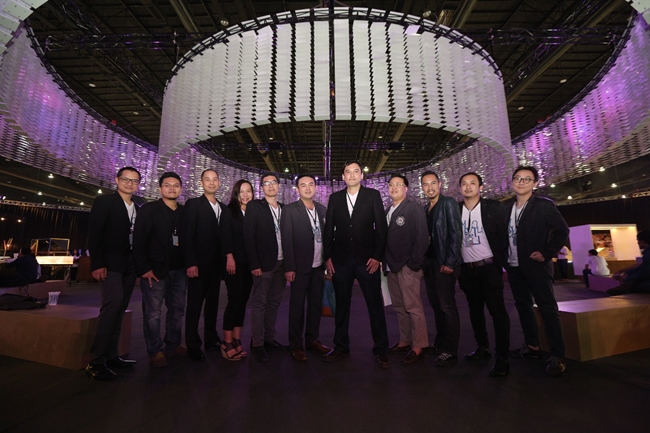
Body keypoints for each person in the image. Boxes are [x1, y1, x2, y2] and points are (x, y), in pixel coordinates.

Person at [501, 166, 569, 377]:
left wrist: (547, 253)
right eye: (517, 178)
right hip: (514, 266)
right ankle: (532, 346)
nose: (521, 182)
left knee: (548, 310)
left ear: (535, 183)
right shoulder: (507, 208)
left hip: (537, 266)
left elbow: (562, 230)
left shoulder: (543, 205)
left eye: (527, 179)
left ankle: (558, 355)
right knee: (523, 307)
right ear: (512, 182)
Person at [322, 160, 391, 369]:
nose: (351, 175)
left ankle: (381, 349)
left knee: (375, 305)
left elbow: (381, 228)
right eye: (347, 172)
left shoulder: (372, 196)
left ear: (362, 175)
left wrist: (377, 256)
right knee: (341, 305)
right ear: (343, 177)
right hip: (341, 260)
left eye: (355, 171)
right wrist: (327, 257)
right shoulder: (335, 198)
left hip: (367, 260)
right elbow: (328, 230)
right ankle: (341, 346)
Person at [85, 166, 141, 381]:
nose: (129, 183)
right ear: (117, 180)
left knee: (120, 309)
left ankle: (112, 355)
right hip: (110, 264)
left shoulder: (138, 207)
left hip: (130, 265)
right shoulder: (105, 201)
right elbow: (95, 234)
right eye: (126, 179)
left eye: (134, 181)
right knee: (111, 307)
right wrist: (97, 264)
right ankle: (96, 361)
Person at [456, 172, 510, 377]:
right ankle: (482, 347)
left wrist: (505, 262)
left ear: (481, 187)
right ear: (459, 188)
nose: (468, 186)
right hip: (467, 270)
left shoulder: (493, 207)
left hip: (489, 268)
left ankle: (502, 357)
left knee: (497, 312)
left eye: (473, 183)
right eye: (464, 183)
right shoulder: (456, 209)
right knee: (475, 311)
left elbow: (504, 236)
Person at [133, 172, 187, 368]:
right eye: (167, 185)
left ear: (181, 189)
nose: (172, 188)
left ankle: (173, 345)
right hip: (154, 271)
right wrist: (144, 269)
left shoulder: (185, 212)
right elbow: (138, 241)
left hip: (179, 270)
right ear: (160, 188)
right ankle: (155, 350)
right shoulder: (149, 210)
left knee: (177, 310)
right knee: (153, 313)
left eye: (176, 185)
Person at [180, 169, 233, 362]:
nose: (211, 183)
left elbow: (226, 237)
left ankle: (211, 339)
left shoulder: (224, 208)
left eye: (215, 179)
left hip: (216, 266)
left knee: (212, 305)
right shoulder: (193, 204)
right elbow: (187, 235)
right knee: (194, 306)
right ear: (201, 183)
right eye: (207, 180)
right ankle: (193, 344)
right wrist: (191, 262)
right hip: (198, 265)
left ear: (219, 183)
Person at [281, 174, 332, 362]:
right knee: (297, 308)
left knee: (315, 306)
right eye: (303, 185)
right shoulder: (290, 210)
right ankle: (295, 345)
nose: (308, 188)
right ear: (297, 189)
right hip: (299, 267)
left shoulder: (322, 209)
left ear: (316, 188)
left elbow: (326, 237)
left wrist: (328, 259)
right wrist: (289, 267)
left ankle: (312, 340)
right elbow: (287, 240)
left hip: (318, 266)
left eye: (311, 184)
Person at [383, 174, 429, 365]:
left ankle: (419, 346)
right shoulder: (388, 210)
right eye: (391, 185)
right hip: (391, 267)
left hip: (407, 266)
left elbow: (422, 238)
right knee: (400, 307)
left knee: (413, 307)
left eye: (398, 184)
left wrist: (413, 264)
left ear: (406, 188)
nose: (394, 188)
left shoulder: (413, 208)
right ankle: (405, 340)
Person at [244, 173, 288, 362]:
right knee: (259, 304)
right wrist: (254, 264)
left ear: (279, 186)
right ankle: (257, 343)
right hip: (263, 265)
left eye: (273, 182)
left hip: (282, 263)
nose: (270, 186)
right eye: (266, 183)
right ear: (262, 187)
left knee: (274, 303)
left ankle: (270, 339)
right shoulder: (255, 206)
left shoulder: (285, 209)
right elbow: (248, 236)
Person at [420, 170, 462, 367]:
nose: (430, 187)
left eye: (433, 183)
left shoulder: (448, 203)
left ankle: (450, 350)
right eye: (425, 184)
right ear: (422, 187)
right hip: (429, 263)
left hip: (443, 262)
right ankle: (440, 343)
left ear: (439, 184)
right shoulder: (425, 208)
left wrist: (450, 261)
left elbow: (455, 233)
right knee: (436, 306)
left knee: (447, 306)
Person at [221, 179, 255, 361]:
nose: (245, 194)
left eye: (248, 191)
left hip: (249, 264)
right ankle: (226, 342)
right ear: (236, 193)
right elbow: (225, 236)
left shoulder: (253, 212)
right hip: (233, 262)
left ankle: (237, 339)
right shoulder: (229, 211)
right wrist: (229, 256)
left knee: (243, 301)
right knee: (234, 300)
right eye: (241, 191)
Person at [608, 231, 650, 295]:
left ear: (643, 241)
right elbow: (642, 267)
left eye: (638, 240)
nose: (637, 243)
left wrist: (627, 277)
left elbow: (644, 272)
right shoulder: (647, 253)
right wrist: (628, 273)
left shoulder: (648, 254)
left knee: (616, 291)